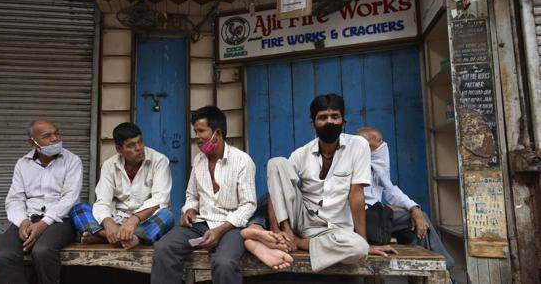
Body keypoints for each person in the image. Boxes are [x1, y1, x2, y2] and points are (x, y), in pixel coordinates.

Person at [265, 94, 396, 272]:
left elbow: (356, 194)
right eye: (322, 117)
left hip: (336, 230)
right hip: (303, 221)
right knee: (276, 163)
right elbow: (276, 190)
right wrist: (278, 229)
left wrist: (364, 242)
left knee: (359, 248)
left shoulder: (358, 146)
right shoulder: (301, 154)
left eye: (335, 116)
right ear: (313, 124)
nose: (329, 122)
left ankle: (301, 243)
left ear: (343, 122)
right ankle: (286, 235)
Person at [151, 106, 256, 284]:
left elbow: (248, 205)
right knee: (163, 248)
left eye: (201, 131)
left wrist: (220, 230)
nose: (197, 137)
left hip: (231, 226)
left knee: (224, 263)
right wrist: (189, 211)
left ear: (218, 132)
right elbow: (192, 195)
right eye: (195, 132)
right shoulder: (199, 160)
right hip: (201, 223)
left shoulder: (242, 161)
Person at [0, 119, 83, 284]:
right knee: (3, 256)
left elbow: (70, 198)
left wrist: (44, 223)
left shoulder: (72, 161)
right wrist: (22, 221)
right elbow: (15, 198)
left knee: (43, 251)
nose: (55, 138)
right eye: (47, 136)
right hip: (29, 218)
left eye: (56, 133)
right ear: (32, 143)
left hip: (60, 219)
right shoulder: (22, 164)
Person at [357, 127, 455, 269]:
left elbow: (390, 190)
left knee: (418, 219)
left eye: (382, 141)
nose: (383, 146)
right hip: (362, 220)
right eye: (378, 143)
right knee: (420, 220)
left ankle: (431, 269)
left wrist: (414, 208)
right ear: (365, 147)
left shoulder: (376, 166)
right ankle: (445, 269)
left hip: (376, 217)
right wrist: (384, 207)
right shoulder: (354, 165)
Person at [70, 122, 174, 249]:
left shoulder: (159, 161)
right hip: (117, 218)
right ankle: (132, 238)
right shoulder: (109, 165)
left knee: (167, 216)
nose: (139, 148)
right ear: (119, 149)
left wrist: (134, 219)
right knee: (78, 209)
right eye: (131, 145)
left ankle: (104, 237)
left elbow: (160, 199)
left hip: (144, 220)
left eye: (140, 142)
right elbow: (103, 200)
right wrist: (108, 223)